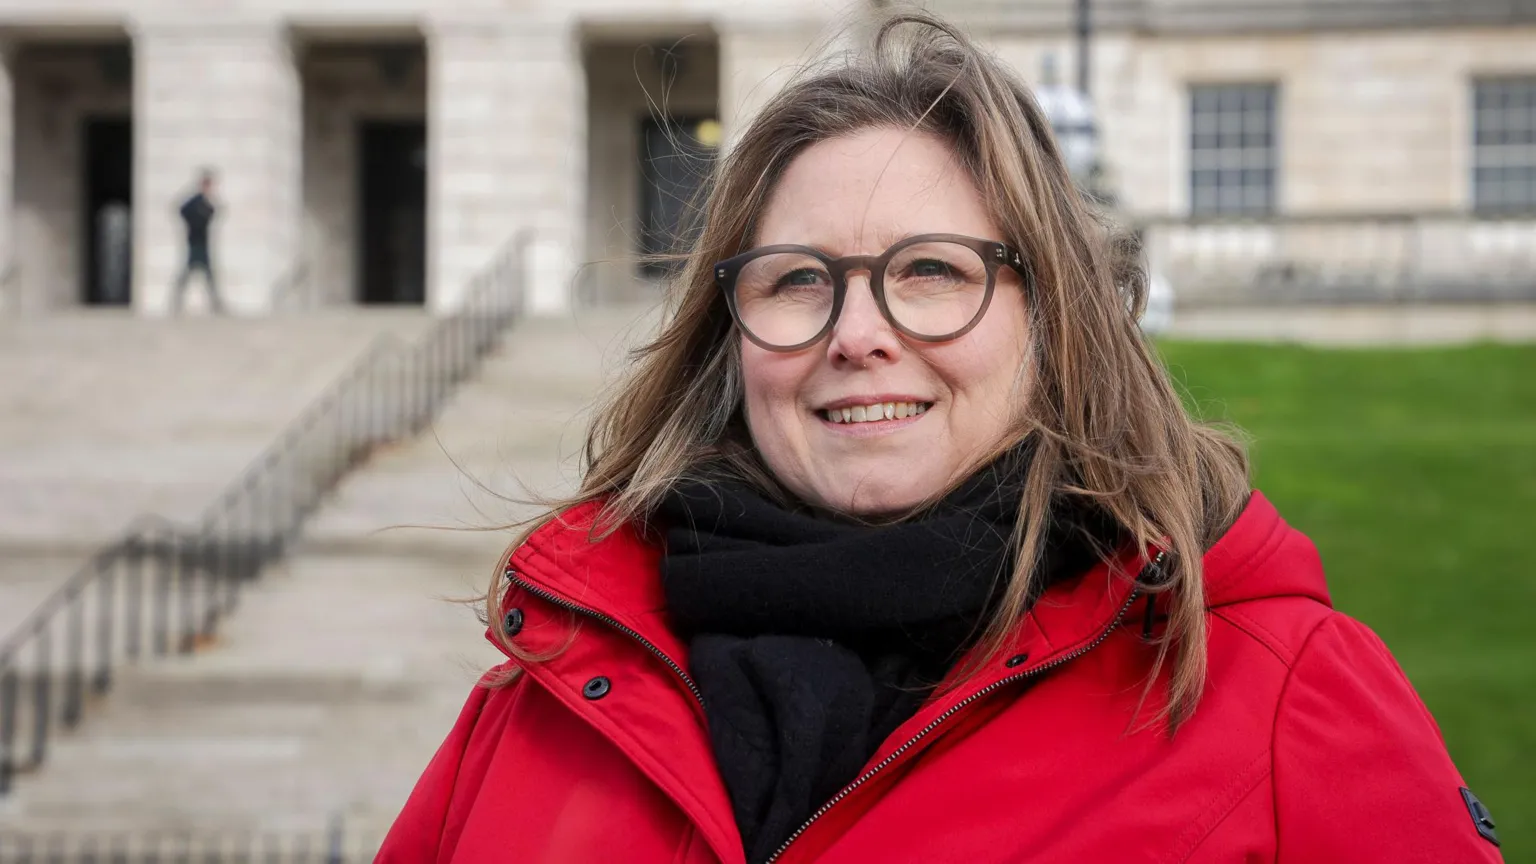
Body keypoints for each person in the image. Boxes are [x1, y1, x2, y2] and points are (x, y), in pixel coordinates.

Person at [378, 12, 1502, 864]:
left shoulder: (1283, 701)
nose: (856, 333)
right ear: (731, 332)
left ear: (1050, 318)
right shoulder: (542, 702)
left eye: (931, 272)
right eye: (796, 280)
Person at [171, 169, 224, 314]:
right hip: (195, 243)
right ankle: (176, 302)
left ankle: (216, 304)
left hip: (202, 243)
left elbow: (212, 213)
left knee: (208, 276)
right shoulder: (196, 202)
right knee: (188, 274)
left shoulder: (206, 203)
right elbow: (183, 211)